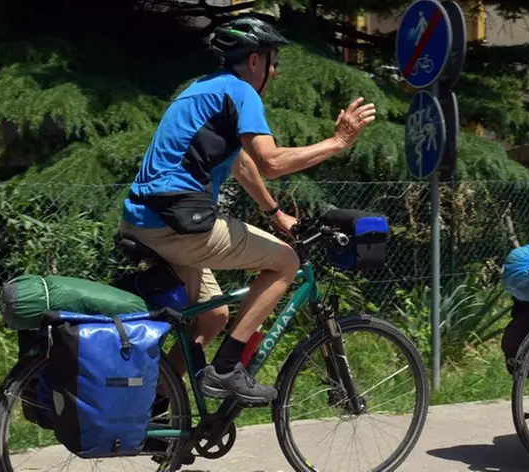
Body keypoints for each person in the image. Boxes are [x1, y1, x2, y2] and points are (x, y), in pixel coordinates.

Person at [118, 16, 376, 406]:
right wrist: (338, 142)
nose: (273, 72)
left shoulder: (199, 90)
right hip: (179, 224)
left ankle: (152, 405)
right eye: (272, 63)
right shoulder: (241, 92)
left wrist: (275, 213)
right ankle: (226, 369)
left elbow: (241, 164)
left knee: (214, 316)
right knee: (286, 262)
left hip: (143, 219)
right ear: (255, 60)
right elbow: (270, 161)